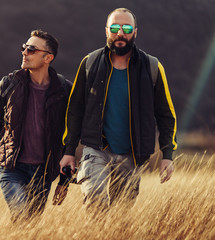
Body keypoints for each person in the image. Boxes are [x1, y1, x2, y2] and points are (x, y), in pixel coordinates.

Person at [59, 8, 178, 210]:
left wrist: (167, 155)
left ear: (135, 32)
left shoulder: (152, 67)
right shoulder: (89, 63)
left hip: (132, 153)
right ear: (106, 31)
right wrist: (69, 151)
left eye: (126, 28)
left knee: (121, 213)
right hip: (96, 148)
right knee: (95, 199)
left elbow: (166, 114)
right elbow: (75, 109)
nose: (120, 33)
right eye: (114, 27)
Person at [0, 29, 72, 221]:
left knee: (31, 225)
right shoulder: (9, 84)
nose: (24, 53)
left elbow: (70, 136)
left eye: (31, 49)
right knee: (22, 216)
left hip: (44, 172)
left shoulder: (64, 90)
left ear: (48, 58)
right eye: (24, 48)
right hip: (11, 168)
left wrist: (65, 180)